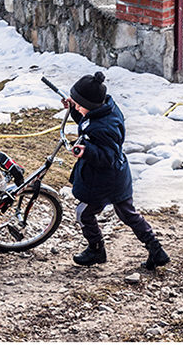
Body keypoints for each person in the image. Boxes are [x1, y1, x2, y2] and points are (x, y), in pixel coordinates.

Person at [63, 71, 170, 270]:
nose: (76, 107)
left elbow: (108, 156)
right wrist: (75, 109)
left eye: (79, 104)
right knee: (129, 214)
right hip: (118, 176)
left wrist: (87, 151)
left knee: (83, 213)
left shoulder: (103, 127)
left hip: (103, 180)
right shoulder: (105, 110)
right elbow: (87, 120)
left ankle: (96, 249)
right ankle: (156, 250)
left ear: (91, 105)